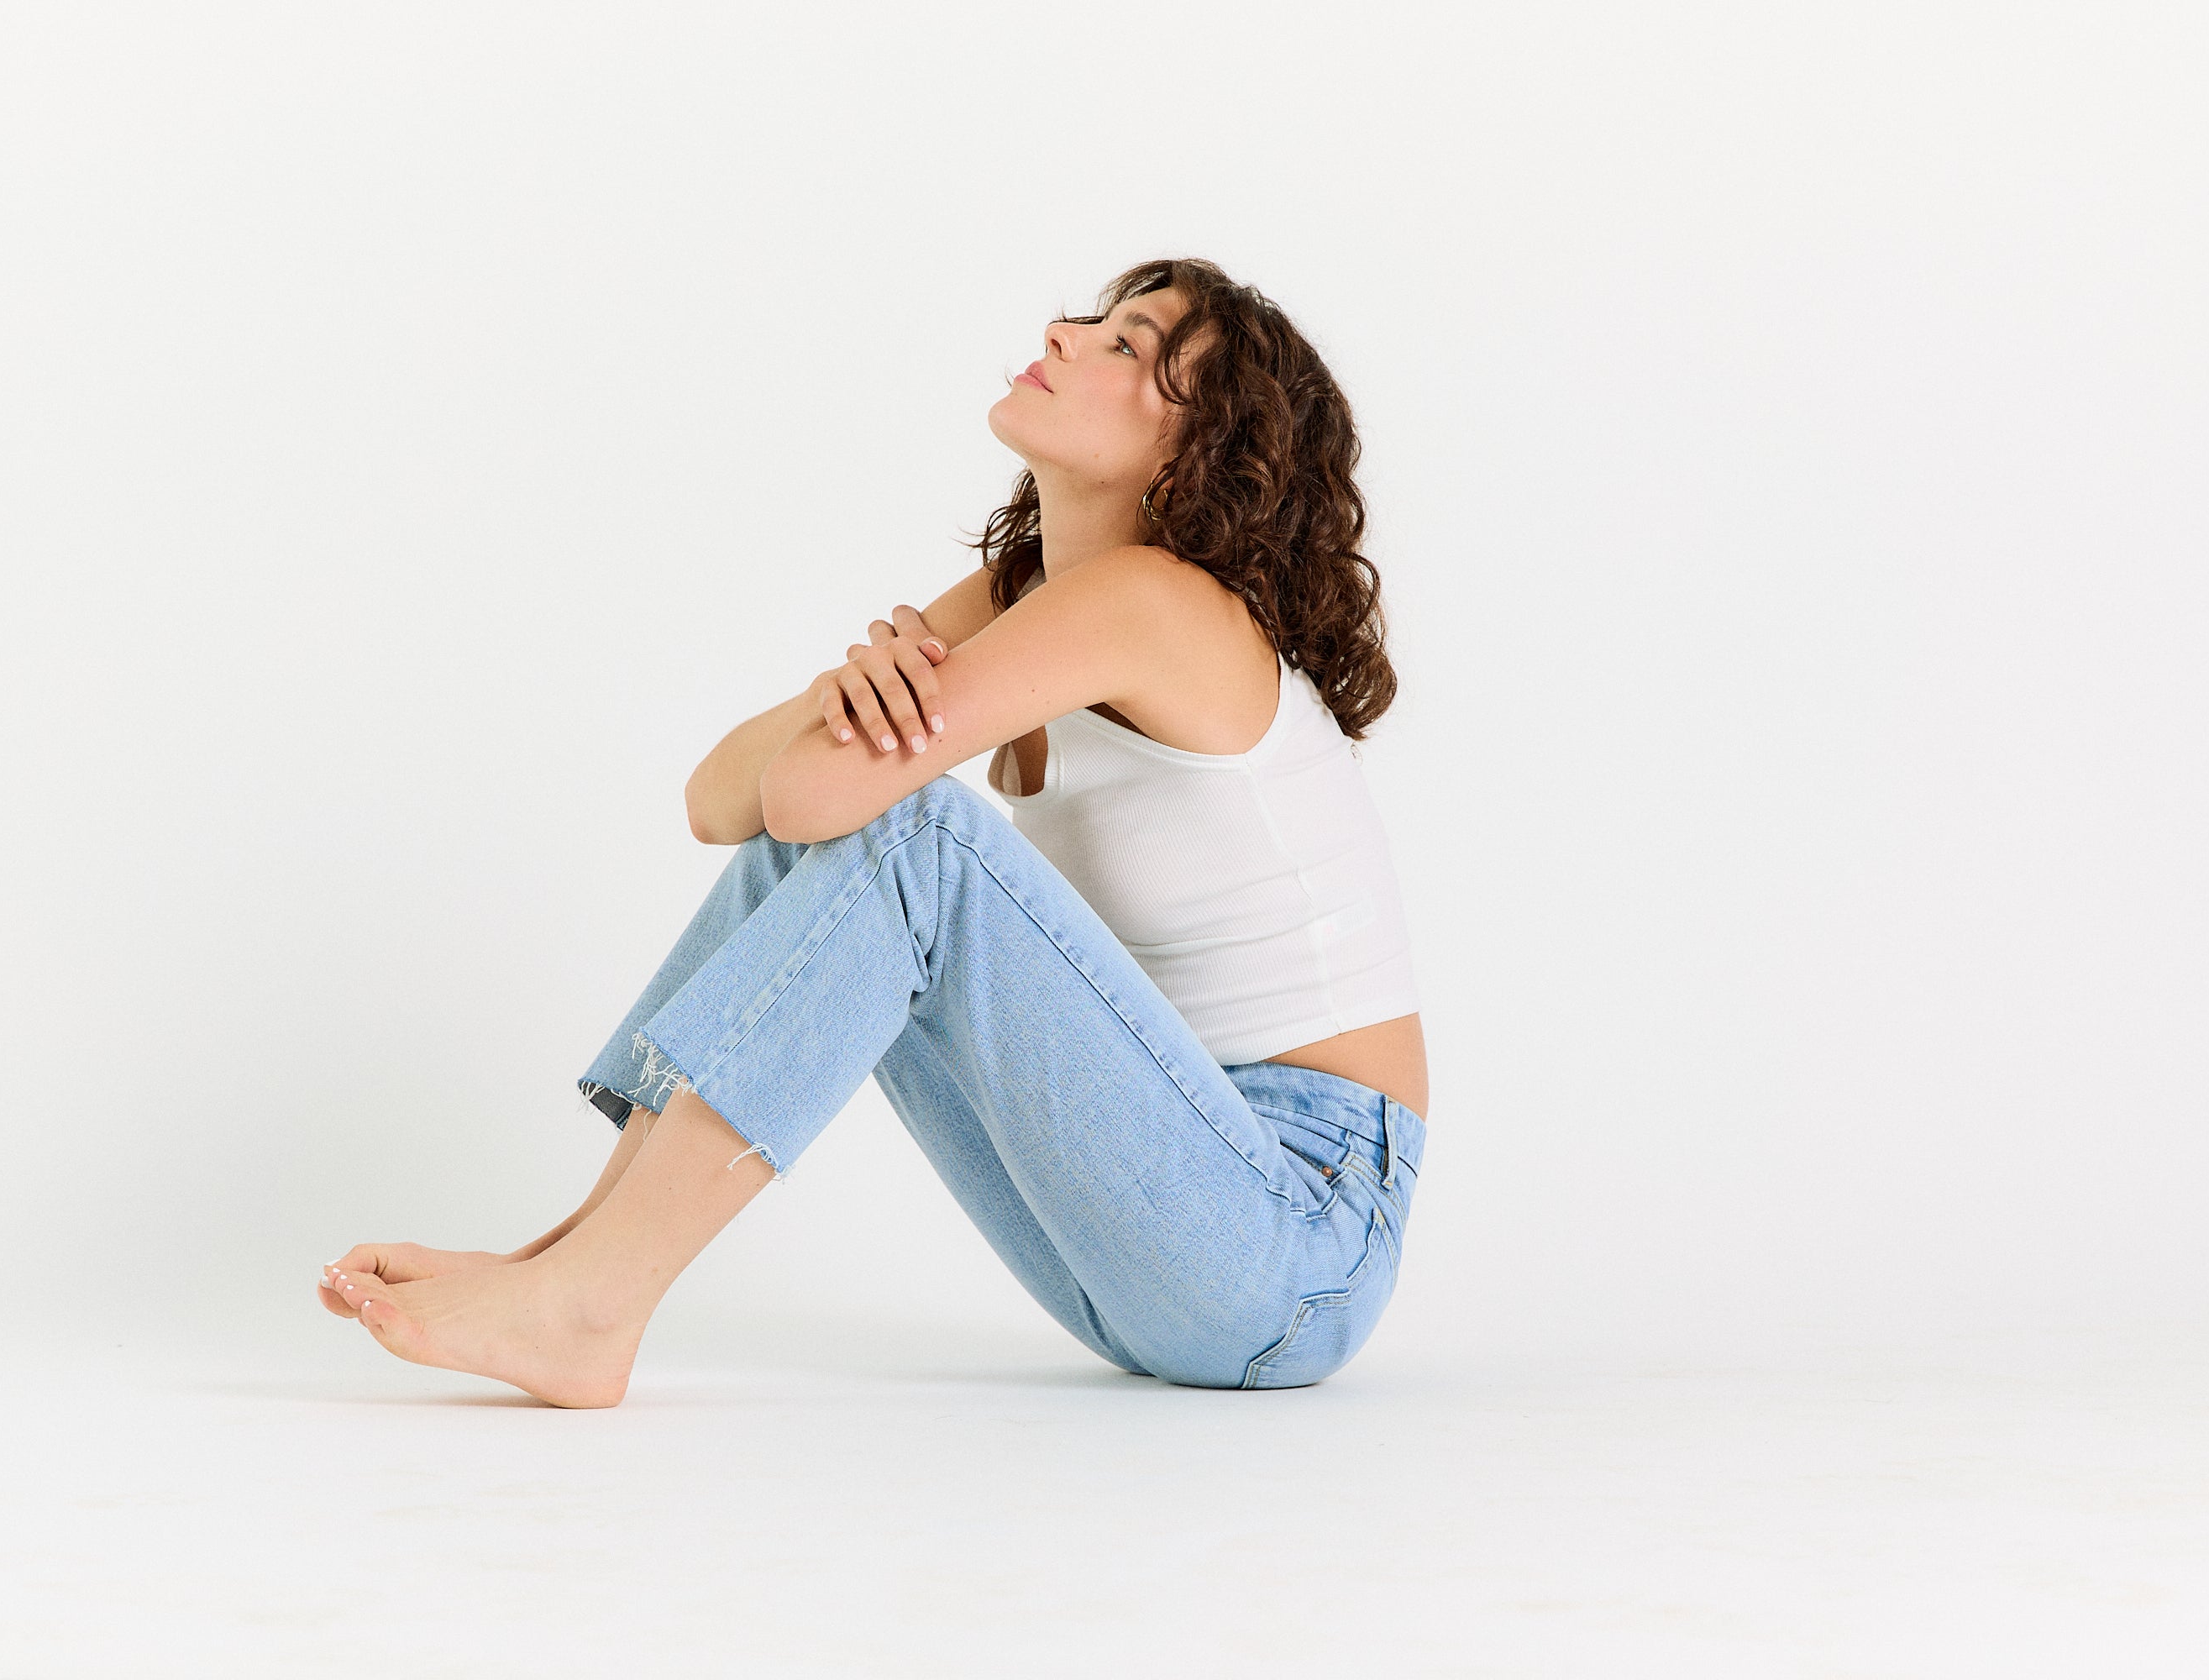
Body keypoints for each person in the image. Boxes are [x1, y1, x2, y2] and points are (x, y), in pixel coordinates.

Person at [317, 258, 1428, 1405]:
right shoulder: (1021, 594)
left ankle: (592, 1301)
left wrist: (844, 732)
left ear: (1195, 458)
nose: (1064, 331)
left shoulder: (1155, 601)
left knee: (912, 842)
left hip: (1301, 1241)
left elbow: (817, 797)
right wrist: (837, 698)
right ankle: (568, 1268)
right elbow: (720, 803)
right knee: (833, 853)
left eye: (1126, 345)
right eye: (1089, 319)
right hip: (1159, 1248)